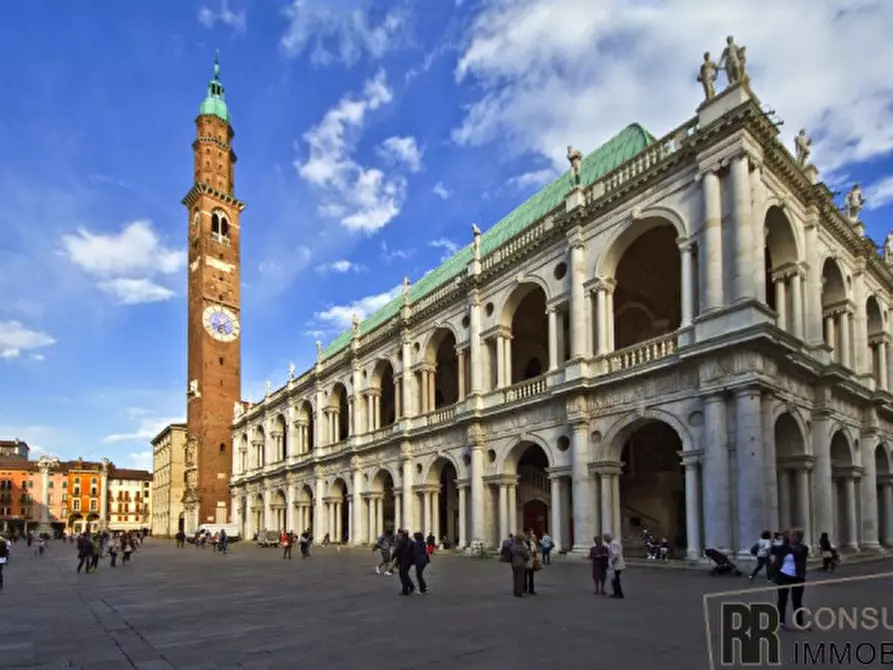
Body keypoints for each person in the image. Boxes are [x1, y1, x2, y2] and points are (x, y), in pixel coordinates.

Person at [772, 527, 809, 629]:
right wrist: (778, 540)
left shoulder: (803, 548)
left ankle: (799, 622)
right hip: (783, 576)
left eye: (793, 535)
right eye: (790, 535)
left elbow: (798, 553)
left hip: (797, 577)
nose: (791, 537)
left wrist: (787, 545)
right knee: (782, 600)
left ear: (799, 537)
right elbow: (773, 550)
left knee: (797, 601)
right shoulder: (783, 547)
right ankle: (781, 621)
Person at [393, 530, 416, 595]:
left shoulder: (401, 541)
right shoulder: (411, 541)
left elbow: (398, 550)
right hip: (409, 561)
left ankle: (405, 590)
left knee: (402, 575)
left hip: (402, 560)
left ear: (403, 535)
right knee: (405, 574)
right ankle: (411, 586)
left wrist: (393, 556)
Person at [604, 532, 625, 599]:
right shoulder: (614, 543)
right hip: (617, 563)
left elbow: (615, 554)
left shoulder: (613, 544)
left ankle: (618, 593)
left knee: (615, 579)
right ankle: (616, 592)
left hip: (616, 564)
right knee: (614, 579)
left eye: (605, 539)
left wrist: (611, 561)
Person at [510, 533, 531, 597]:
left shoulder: (513, 546)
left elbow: (510, 554)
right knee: (520, 578)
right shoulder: (522, 547)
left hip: (514, 563)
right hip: (521, 563)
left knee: (515, 578)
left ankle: (515, 591)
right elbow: (526, 556)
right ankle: (520, 592)